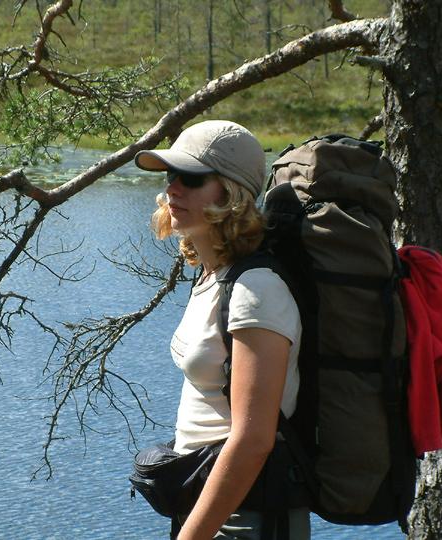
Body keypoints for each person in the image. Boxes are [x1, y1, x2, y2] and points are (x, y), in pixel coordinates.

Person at [134, 120, 310, 540]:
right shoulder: (215, 276)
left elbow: (252, 441)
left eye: (192, 178)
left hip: (246, 517)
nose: (173, 188)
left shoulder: (257, 290)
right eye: (171, 176)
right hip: (207, 503)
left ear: (231, 193)